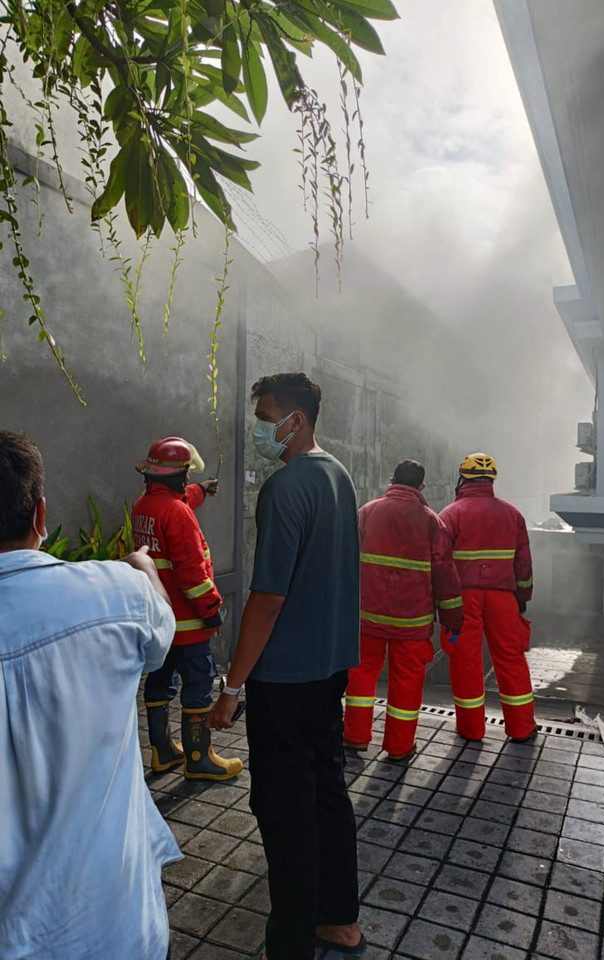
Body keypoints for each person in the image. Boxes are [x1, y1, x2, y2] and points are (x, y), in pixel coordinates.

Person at [0, 430, 180, 960]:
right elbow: (162, 629)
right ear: (41, 515)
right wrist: (144, 568)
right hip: (125, 929)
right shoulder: (119, 593)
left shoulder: (161, 505)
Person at [207, 373, 364, 960]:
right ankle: (339, 922)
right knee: (326, 791)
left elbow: (267, 598)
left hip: (286, 680)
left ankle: (291, 944)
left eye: (267, 414)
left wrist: (233, 686)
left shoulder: (285, 487)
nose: (260, 427)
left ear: (295, 420)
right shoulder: (339, 475)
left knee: (283, 807)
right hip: (329, 671)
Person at [133, 437, 242, 781]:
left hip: (161, 624)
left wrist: (201, 490)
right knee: (197, 685)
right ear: (178, 475)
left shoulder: (145, 506)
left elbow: (176, 502)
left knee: (159, 683)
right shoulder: (178, 514)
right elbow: (192, 573)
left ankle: (162, 752)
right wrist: (213, 610)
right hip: (189, 624)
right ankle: (199, 759)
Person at [343, 459, 463, 760]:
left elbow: (345, 561)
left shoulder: (367, 512)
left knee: (360, 675)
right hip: (412, 622)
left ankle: (355, 737)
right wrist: (451, 618)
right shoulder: (431, 521)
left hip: (367, 616)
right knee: (407, 681)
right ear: (421, 487)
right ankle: (399, 747)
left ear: (392, 479)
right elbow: (445, 574)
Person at [439, 452, 536, 742]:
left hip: (462, 597)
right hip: (503, 597)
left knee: (464, 659)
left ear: (462, 479)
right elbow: (524, 563)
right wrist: (523, 596)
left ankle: (471, 729)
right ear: (492, 479)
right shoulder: (512, 513)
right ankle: (521, 728)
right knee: (510, 657)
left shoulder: (450, 514)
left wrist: (443, 602)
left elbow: (441, 564)